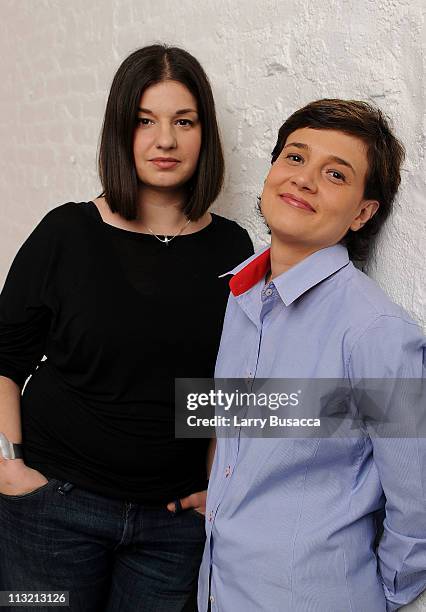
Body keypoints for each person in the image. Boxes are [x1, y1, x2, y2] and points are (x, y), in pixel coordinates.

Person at [0, 44, 253, 611]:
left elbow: (227, 385)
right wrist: (8, 467)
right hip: (53, 509)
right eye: (145, 121)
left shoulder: (232, 248)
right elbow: (4, 360)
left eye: (182, 121)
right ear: (121, 131)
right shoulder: (67, 232)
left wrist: (219, 490)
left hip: (170, 529)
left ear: (203, 134)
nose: (165, 140)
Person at [197, 99, 426, 611]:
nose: (303, 180)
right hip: (221, 590)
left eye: (336, 174)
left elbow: (418, 502)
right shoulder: (241, 296)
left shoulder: (374, 331)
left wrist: (374, 594)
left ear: (363, 213)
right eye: (295, 158)